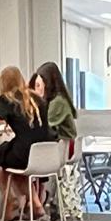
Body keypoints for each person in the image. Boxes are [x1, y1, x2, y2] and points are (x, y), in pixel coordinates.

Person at [0, 65, 53, 219]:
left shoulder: (7, 99)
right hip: (45, 154)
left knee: (0, 158)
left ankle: (10, 199)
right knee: (12, 166)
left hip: (25, 153)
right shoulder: (36, 98)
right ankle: (35, 203)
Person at [29, 61, 77, 213]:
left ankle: (39, 200)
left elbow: (45, 125)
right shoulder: (55, 100)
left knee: (26, 158)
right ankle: (39, 199)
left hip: (63, 148)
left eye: (39, 84)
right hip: (58, 145)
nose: (38, 88)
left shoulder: (58, 102)